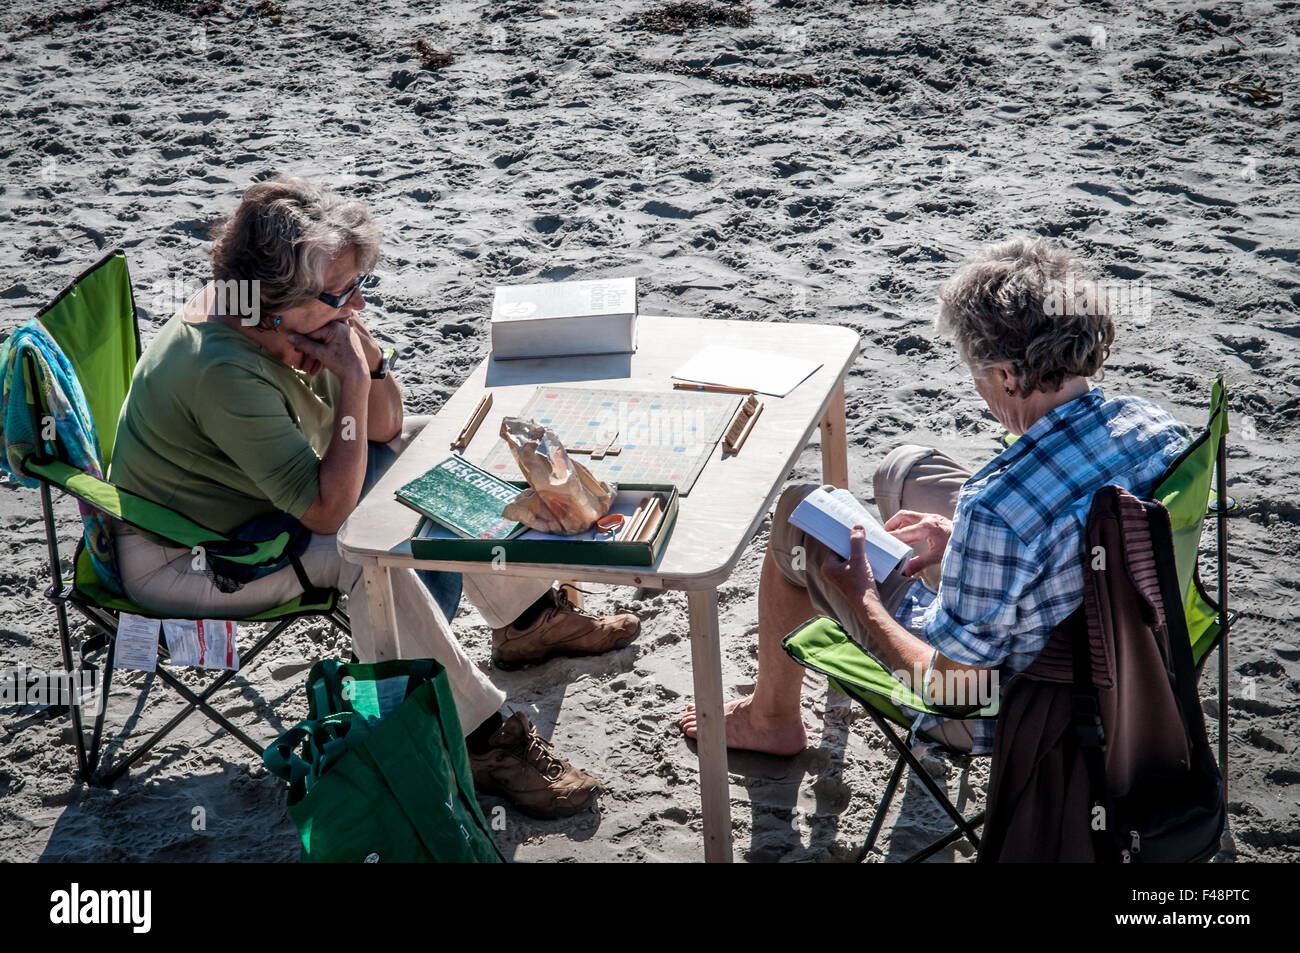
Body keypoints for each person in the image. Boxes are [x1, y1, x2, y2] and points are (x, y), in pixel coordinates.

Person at [109, 176, 640, 818]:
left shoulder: (286, 318)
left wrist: (370, 364)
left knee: (432, 444)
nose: (356, 305)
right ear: (272, 296)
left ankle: (526, 620)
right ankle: (477, 738)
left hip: (263, 515)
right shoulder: (222, 367)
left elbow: (387, 428)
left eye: (360, 287)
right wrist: (352, 382)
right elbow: (330, 514)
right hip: (189, 556)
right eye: (341, 293)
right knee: (360, 553)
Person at [679, 237, 1191, 757]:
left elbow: (956, 693)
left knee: (799, 512)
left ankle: (770, 721)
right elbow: (1080, 532)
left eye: (978, 376)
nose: (979, 391)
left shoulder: (994, 510)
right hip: (1142, 659)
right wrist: (963, 542)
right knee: (902, 470)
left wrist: (863, 599)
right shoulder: (1156, 428)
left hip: (1022, 709)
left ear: (1007, 376)